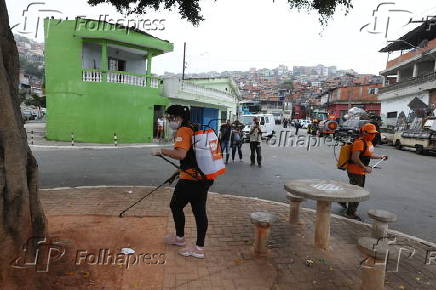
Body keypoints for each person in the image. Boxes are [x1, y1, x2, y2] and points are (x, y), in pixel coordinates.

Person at [151, 105, 214, 259]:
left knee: (176, 205)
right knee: (199, 211)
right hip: (203, 177)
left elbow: (181, 154)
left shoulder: (183, 130)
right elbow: (192, 157)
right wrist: (178, 172)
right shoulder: (194, 127)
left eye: (171, 117)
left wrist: (161, 151)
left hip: (191, 180)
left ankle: (181, 239)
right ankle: (198, 247)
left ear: (177, 117)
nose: (170, 120)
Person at [340, 123, 388, 220]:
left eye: (374, 133)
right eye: (371, 133)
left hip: (361, 171)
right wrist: (365, 167)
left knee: (354, 189)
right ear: (364, 132)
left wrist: (380, 157)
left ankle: (343, 200)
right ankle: (350, 213)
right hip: (355, 171)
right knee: (357, 192)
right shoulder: (359, 142)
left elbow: (368, 154)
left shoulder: (368, 142)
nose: (373, 135)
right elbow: (355, 158)